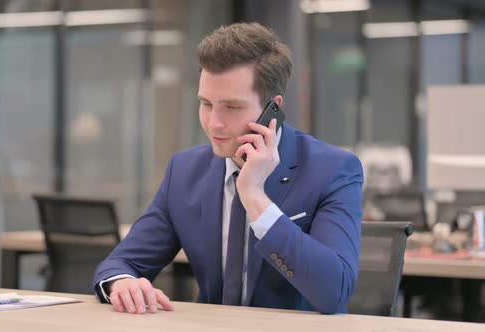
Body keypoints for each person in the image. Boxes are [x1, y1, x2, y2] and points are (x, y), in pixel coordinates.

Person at [93, 22, 363, 315]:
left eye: (232, 107)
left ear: (273, 108)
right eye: (206, 104)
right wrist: (122, 283)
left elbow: (334, 292)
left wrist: (254, 196)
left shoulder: (333, 170)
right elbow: (123, 263)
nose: (213, 123)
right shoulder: (185, 171)